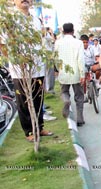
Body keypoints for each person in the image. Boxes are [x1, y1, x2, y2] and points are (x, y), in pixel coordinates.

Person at [0, 0, 53, 142]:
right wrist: (17, 61)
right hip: (21, 70)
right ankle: (29, 131)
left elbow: (44, 41)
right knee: (24, 101)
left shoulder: (36, 20)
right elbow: (3, 44)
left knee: (38, 99)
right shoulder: (9, 19)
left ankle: (39, 127)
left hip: (38, 67)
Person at [54, 23, 85, 126]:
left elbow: (55, 58)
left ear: (63, 31)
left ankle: (66, 101)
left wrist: (58, 70)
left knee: (64, 92)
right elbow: (80, 59)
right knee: (79, 96)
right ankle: (80, 118)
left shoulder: (58, 43)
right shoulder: (79, 43)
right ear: (73, 30)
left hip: (63, 72)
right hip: (76, 73)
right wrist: (82, 75)